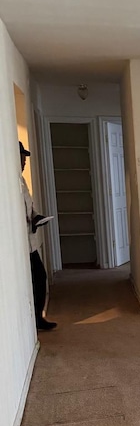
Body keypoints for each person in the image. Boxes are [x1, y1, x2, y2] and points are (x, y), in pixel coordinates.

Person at [19, 141, 57, 331]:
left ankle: (37, 318)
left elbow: (29, 207)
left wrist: (36, 217)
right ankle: (31, 321)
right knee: (31, 281)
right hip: (18, 246)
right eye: (22, 158)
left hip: (29, 241)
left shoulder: (21, 180)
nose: (25, 162)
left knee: (39, 278)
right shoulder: (9, 183)